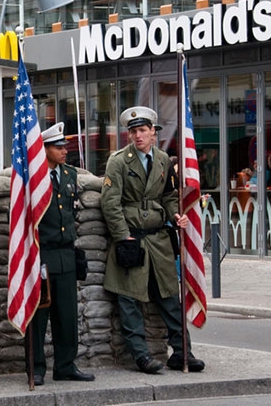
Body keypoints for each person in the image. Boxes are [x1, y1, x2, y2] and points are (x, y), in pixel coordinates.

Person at [100, 106, 205, 374]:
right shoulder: (118, 161)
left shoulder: (162, 160)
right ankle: (141, 355)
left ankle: (182, 352)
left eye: (142, 131)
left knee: (169, 296)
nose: (137, 136)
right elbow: (110, 202)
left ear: (153, 133)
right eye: (133, 131)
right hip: (132, 237)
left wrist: (176, 214)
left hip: (158, 239)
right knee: (129, 299)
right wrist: (122, 235)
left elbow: (169, 195)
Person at [29, 122, 95, 386]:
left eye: (65, 146)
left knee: (67, 316)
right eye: (58, 147)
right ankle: (36, 367)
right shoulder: (34, 176)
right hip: (42, 253)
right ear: (44, 149)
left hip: (66, 253)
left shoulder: (69, 174)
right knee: (39, 316)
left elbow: (70, 210)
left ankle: (65, 366)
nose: (65, 151)